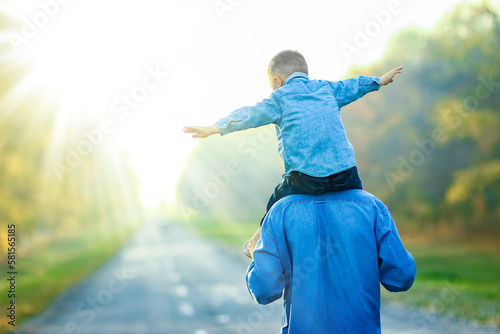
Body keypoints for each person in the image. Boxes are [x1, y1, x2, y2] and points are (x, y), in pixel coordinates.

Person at [184, 50, 403, 257]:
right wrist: (380, 81)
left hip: (306, 179)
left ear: (277, 81)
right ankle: (371, 247)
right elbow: (354, 85)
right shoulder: (327, 89)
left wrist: (214, 128)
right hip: (346, 175)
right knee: (360, 208)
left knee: (274, 207)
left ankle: (255, 244)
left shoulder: (279, 100)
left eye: (272, 85)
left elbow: (249, 115)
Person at [246, 190, 417, 334]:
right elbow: (401, 277)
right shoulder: (372, 207)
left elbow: (264, 289)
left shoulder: (279, 212)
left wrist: (256, 252)